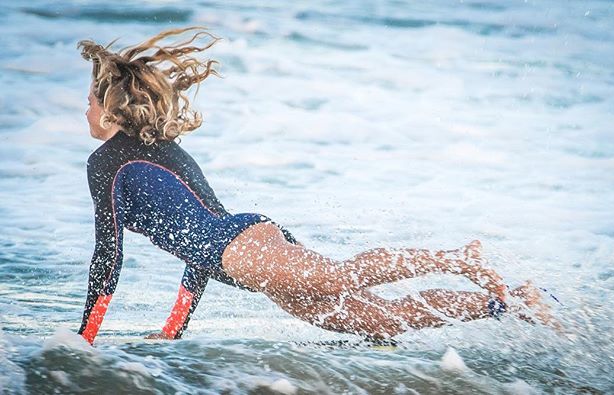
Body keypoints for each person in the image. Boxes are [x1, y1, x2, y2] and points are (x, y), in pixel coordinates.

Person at [76, 27, 553, 345]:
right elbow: (197, 242)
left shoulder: (105, 163)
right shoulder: (169, 151)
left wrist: (83, 343)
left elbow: (108, 257)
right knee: (377, 320)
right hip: (248, 248)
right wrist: (173, 329)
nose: (86, 113)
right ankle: (506, 302)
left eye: (90, 104)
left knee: (341, 276)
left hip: (243, 253)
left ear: (110, 108)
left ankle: (460, 259)